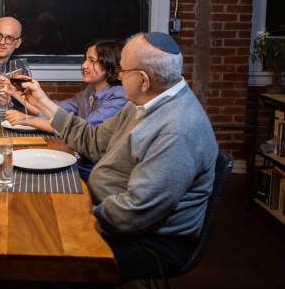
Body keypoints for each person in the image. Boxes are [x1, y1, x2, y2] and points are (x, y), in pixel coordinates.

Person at [21, 32, 218, 282]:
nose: (118, 75)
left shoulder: (178, 130)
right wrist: (43, 103)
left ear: (143, 80)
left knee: (44, 257)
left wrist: (75, 216)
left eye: (123, 70)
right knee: (35, 224)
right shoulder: (142, 103)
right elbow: (92, 141)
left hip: (150, 242)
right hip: (110, 213)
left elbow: (134, 213)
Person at [6, 39, 127, 180]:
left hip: (96, 174)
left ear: (109, 64)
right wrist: (16, 94)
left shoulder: (118, 97)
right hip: (78, 160)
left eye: (92, 60)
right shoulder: (90, 91)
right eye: (85, 59)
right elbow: (56, 110)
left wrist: (27, 119)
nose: (84, 65)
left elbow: (78, 131)